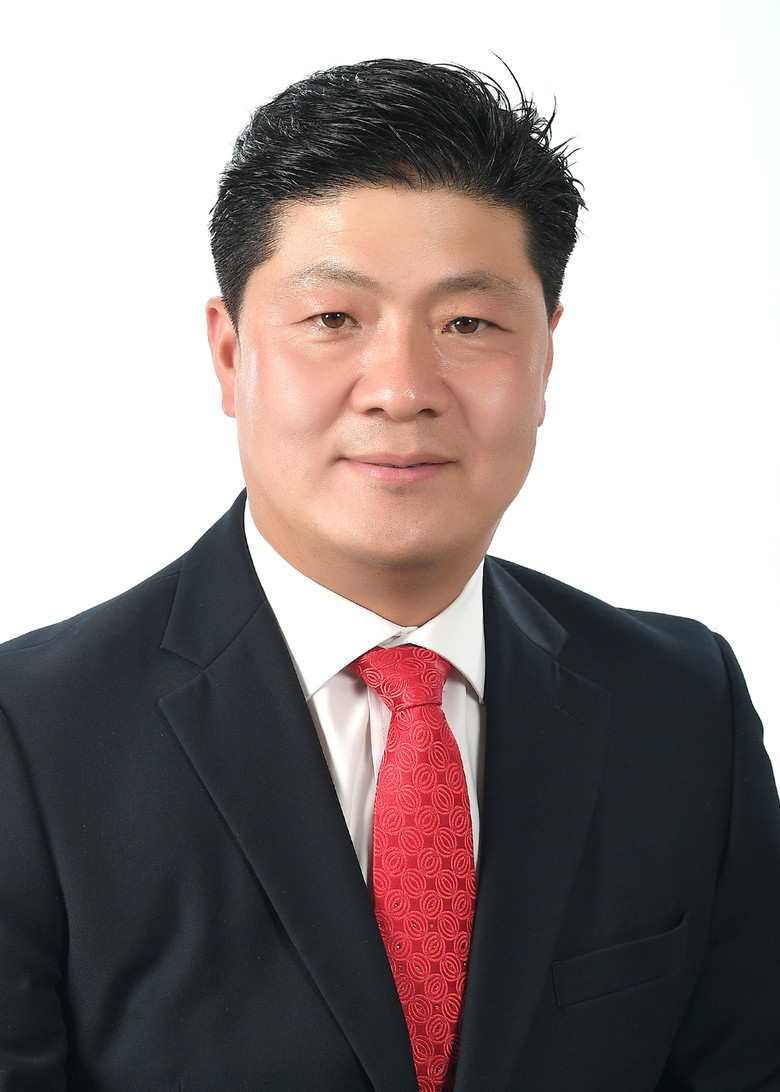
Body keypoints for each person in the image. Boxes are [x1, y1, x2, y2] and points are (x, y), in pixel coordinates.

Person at [0, 58, 778, 1092]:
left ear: (546, 359)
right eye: (334, 320)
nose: (403, 388)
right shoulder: (31, 737)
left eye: (469, 324)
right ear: (229, 356)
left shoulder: (682, 707)